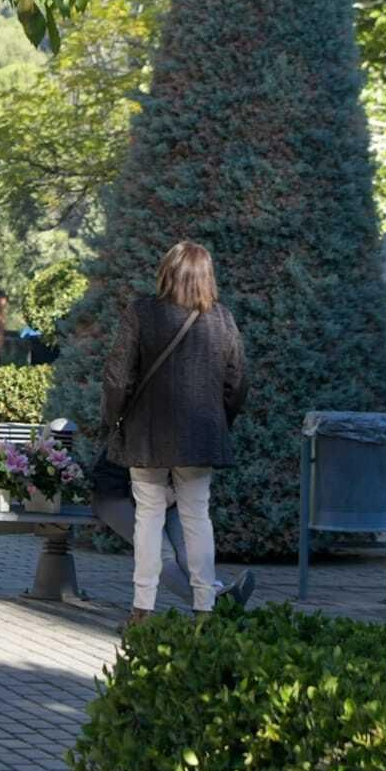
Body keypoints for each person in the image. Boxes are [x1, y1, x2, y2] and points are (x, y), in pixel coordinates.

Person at [102, 241, 247, 627]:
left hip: (147, 435)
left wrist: (113, 419)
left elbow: (118, 376)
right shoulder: (222, 318)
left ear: (167, 272)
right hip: (201, 435)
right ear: (206, 277)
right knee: (197, 516)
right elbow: (237, 383)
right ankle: (204, 606)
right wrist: (219, 421)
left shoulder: (142, 313)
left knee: (147, 518)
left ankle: (142, 609)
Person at [89, 453, 255, 611]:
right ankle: (216, 604)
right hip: (116, 495)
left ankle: (216, 596)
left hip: (168, 497)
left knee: (187, 549)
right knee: (163, 555)